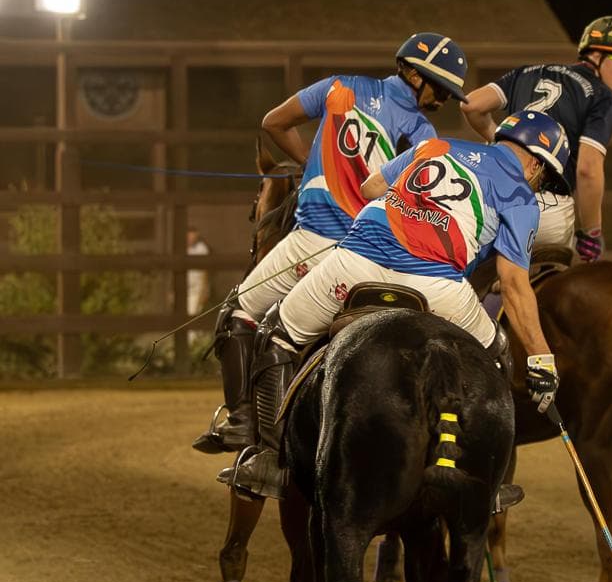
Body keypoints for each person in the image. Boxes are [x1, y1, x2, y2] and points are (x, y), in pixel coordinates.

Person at [220, 110, 568, 500]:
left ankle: (271, 459)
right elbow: (514, 284)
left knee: (275, 334)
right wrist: (541, 359)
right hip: (435, 285)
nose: (538, 184)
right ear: (536, 163)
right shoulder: (521, 197)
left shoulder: (433, 145)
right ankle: (491, 477)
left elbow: (371, 188)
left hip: (354, 265)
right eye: (544, 177)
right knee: (497, 353)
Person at [193, 32, 467, 454]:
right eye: (440, 88)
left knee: (238, 314)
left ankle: (244, 425)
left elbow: (273, 122)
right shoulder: (421, 131)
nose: (443, 99)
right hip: (373, 250)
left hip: (315, 240)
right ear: (412, 73)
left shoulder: (337, 87)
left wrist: (310, 163)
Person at [460, 15, 612, 261]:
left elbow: (472, 105)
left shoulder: (528, 72)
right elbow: (588, 170)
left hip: (488, 195)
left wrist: (503, 140)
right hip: (546, 207)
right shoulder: (603, 97)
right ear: (596, 55)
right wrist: (592, 233)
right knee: (549, 290)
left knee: (466, 275)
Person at [186, 228, 211, 316]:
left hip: (196, 289)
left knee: (192, 314)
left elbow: (205, 272)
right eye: (189, 236)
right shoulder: (181, 248)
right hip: (183, 289)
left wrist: (204, 290)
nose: (191, 239)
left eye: (193, 237)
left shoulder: (201, 249)